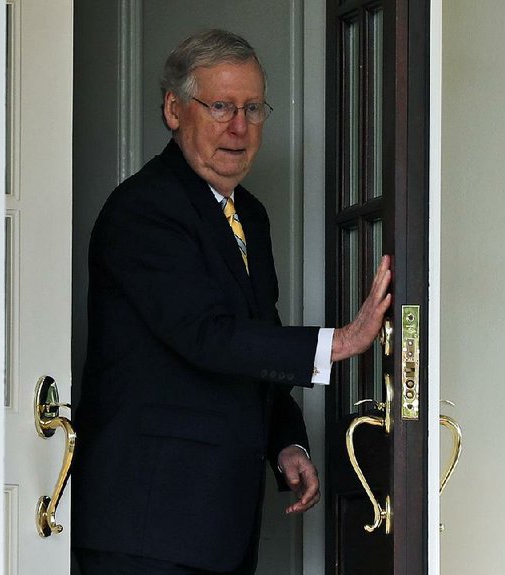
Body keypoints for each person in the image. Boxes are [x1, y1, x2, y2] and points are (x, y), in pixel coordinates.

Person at [71, 29, 391, 575]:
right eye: (220, 106)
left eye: (252, 109)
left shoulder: (251, 215)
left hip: (216, 520)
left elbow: (253, 334)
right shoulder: (143, 209)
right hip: (148, 524)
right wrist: (336, 343)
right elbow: (207, 335)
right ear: (174, 110)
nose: (239, 128)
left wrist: (286, 442)